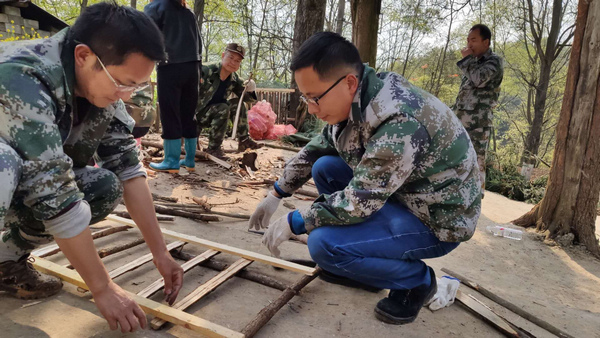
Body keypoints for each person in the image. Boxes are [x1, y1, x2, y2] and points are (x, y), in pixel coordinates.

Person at [249, 32, 481, 325]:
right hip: (404, 193)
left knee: (323, 244)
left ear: (348, 82)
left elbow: (359, 201)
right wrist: (277, 192)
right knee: (325, 167)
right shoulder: (359, 97)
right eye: (305, 97)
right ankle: (363, 267)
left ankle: (417, 281)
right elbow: (317, 149)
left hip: (436, 217)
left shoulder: (399, 121)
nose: (310, 108)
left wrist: (295, 220)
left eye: (314, 98)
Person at [0, 3, 183, 333]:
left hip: (15, 191)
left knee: (103, 185)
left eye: (136, 86)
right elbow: (53, 195)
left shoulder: (101, 89)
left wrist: (160, 253)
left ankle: (4, 259)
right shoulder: (22, 76)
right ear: (84, 56)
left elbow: (128, 170)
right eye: (123, 83)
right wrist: (103, 289)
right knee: (3, 163)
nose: (126, 95)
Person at [145, 0, 202, 173]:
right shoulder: (188, 11)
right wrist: (199, 69)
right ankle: (190, 160)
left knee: (170, 112)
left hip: (170, 65)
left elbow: (145, 33)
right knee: (189, 113)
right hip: (193, 67)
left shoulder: (156, 7)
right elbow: (199, 41)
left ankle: (171, 160)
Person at [454, 24, 503, 192]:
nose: (469, 45)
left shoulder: (493, 61)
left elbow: (479, 80)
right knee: (458, 160)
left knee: (476, 162)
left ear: (486, 42)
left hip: (478, 124)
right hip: (462, 122)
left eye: (473, 40)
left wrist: (466, 60)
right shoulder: (473, 62)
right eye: (468, 40)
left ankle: (475, 198)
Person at [196, 43, 260, 160]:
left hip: (214, 115)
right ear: (223, 55)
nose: (233, 63)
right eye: (230, 58)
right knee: (223, 107)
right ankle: (214, 148)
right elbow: (184, 91)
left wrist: (251, 89)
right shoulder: (205, 70)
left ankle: (243, 140)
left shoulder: (234, 79)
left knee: (236, 104)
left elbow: (247, 100)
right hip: (194, 116)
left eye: (237, 61)